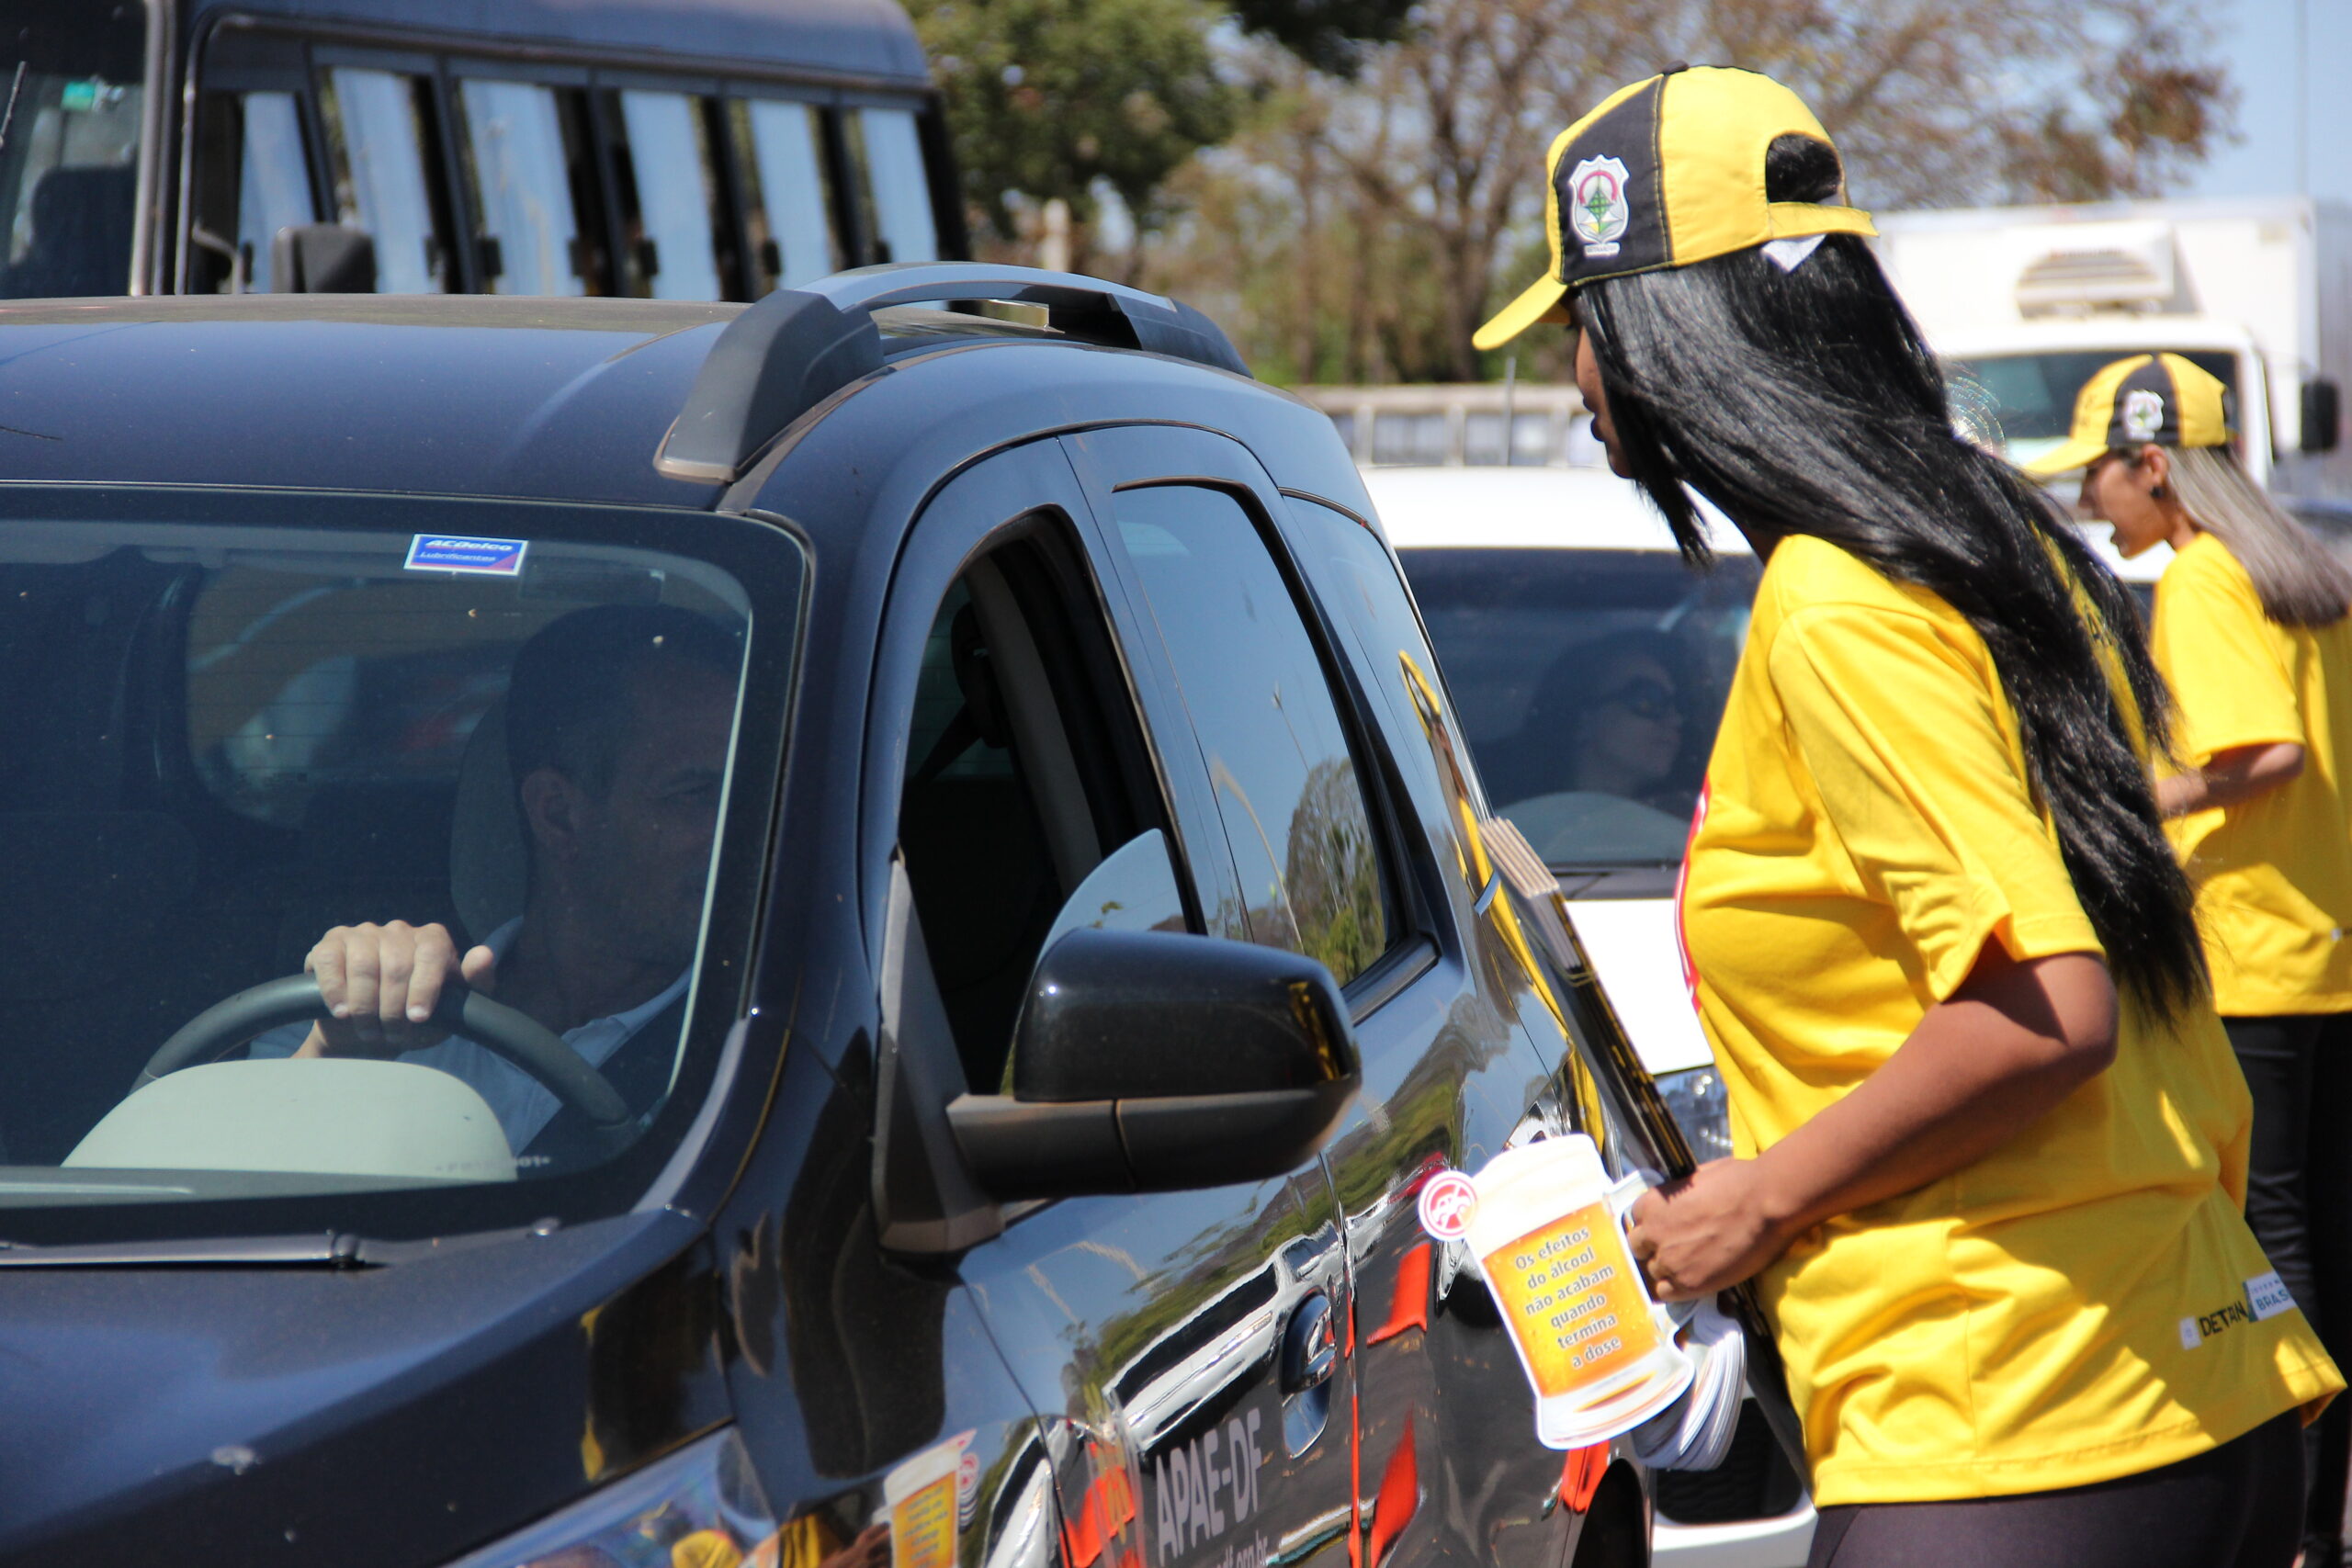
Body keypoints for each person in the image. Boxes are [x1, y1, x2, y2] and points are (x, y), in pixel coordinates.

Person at [1470, 64, 2340, 1567]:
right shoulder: (2002, 543)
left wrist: (1751, 1203)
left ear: (1677, 331)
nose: (1582, 382)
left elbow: (2041, 1003)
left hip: (2016, 1413)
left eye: (1582, 333)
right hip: (2185, 1373)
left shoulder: (1836, 601)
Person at [2029, 354, 2352, 1566]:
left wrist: (2121, 803)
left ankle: (2292, 1525)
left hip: (2255, 956)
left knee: (2269, 1246)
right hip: (2329, 948)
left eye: (2098, 475)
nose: (2088, 503)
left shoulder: (2204, 581)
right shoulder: (2305, 574)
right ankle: (2321, 1522)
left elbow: (2259, 753)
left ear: (2154, 464)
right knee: (2324, 1229)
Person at [253, 604, 740, 1168]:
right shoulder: (344, 1017)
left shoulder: (763, 1053)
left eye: (755, 790)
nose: (744, 828)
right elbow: (208, 1221)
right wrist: (340, 1051)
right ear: (558, 815)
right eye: (696, 794)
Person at [1488, 633, 1690, 860]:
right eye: (1648, 700)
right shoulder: (1497, 832)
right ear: (1583, 719)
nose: (1675, 720)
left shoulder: (1694, 828)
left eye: (1679, 705)